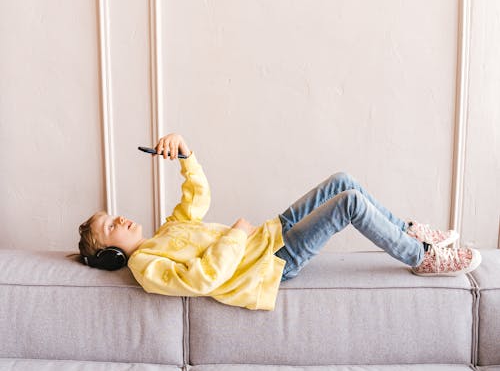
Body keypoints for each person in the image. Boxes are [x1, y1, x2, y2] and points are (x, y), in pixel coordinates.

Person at [76, 132, 482, 312]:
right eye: (110, 225)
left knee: (342, 180)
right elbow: (202, 280)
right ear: (112, 252)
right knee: (350, 204)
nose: (121, 218)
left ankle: (408, 230)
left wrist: (185, 153)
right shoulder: (147, 267)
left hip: (269, 235)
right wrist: (234, 236)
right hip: (273, 261)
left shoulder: (166, 232)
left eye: (112, 216)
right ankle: (421, 257)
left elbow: (198, 197)